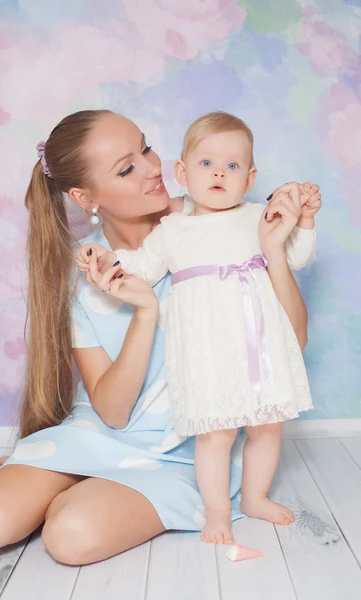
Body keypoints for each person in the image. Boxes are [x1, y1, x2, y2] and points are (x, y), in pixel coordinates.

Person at [0, 110, 320, 565]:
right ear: (84, 196)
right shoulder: (89, 274)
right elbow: (112, 412)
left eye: (147, 147)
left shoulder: (224, 218)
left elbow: (295, 340)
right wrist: (145, 311)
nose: (151, 168)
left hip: (195, 447)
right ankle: (22, 480)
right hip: (107, 434)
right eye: (127, 168)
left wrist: (275, 250)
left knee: (72, 536)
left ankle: (66, 492)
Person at [75, 111, 320, 544]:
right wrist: (105, 261)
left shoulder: (258, 216)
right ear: (183, 173)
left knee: (268, 426)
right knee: (215, 435)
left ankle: (255, 496)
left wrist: (303, 220)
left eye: (233, 165)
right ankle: (217, 512)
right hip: (208, 351)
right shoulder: (172, 230)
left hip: (258, 346)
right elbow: (142, 267)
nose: (220, 173)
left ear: (250, 177)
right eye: (207, 164)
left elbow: (295, 257)